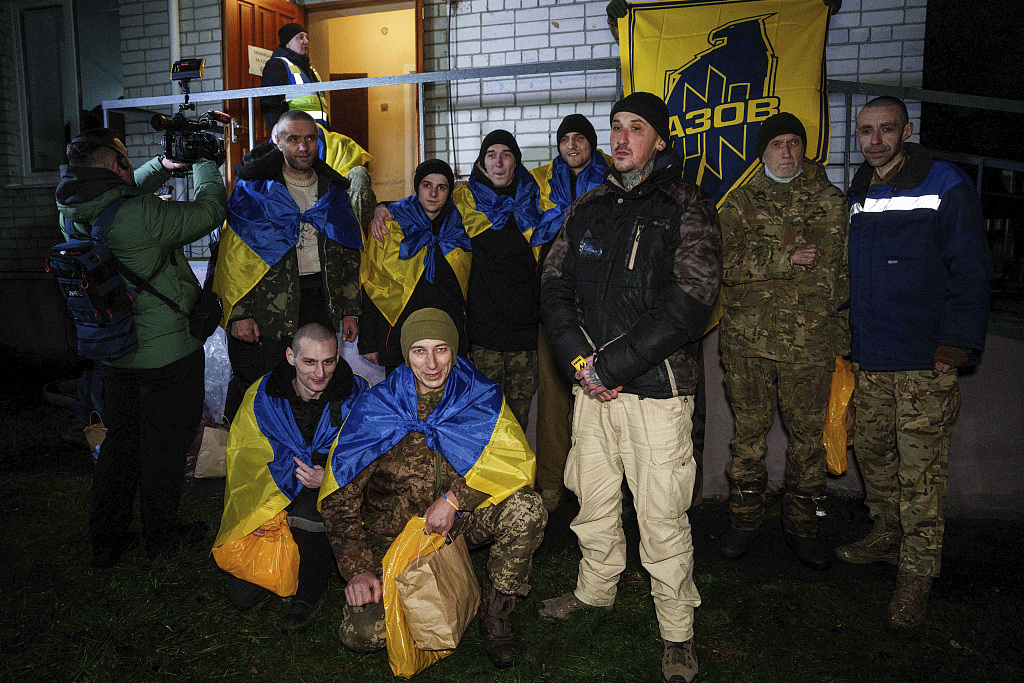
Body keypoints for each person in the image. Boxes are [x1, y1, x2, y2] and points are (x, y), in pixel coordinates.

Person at [539, 92, 722, 683]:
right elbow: (554, 285)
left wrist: (609, 367)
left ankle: (676, 633)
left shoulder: (686, 205)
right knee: (590, 497)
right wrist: (577, 361)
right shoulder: (589, 205)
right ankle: (595, 589)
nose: (620, 139)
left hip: (657, 392)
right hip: (591, 389)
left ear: (660, 140)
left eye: (635, 129)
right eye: (614, 128)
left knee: (662, 513)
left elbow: (689, 304)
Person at [320, 308, 547, 668]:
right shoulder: (377, 408)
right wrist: (358, 569)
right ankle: (440, 589)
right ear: (406, 353)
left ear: (454, 351)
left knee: (527, 507)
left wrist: (456, 499)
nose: (431, 363)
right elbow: (339, 499)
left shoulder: (479, 397)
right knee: (364, 636)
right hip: (393, 538)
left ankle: (497, 611)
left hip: (456, 525)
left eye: (441, 349)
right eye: (419, 351)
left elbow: (509, 463)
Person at [837, 96, 990, 627]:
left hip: (925, 362)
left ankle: (917, 575)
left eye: (885, 130)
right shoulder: (859, 191)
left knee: (920, 475)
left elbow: (969, 270)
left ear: (906, 131)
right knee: (876, 456)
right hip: (872, 358)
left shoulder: (946, 184)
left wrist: (955, 347)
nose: (874, 140)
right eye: (865, 131)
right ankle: (886, 535)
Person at [55, 128, 227, 566]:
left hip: (115, 350)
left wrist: (162, 167)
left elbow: (117, 199)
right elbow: (208, 211)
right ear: (117, 167)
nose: (133, 167)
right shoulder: (143, 216)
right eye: (128, 160)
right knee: (165, 447)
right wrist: (207, 162)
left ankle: (107, 539)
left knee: (120, 444)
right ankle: (162, 535)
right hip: (166, 352)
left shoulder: (72, 209)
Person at [715, 112, 849, 570]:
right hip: (748, 342)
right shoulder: (740, 203)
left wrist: (839, 329)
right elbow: (721, 265)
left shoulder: (831, 201)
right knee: (748, 436)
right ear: (763, 151)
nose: (787, 152)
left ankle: (804, 527)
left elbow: (840, 271)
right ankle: (744, 520)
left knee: (808, 440)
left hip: (808, 342)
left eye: (794, 142)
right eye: (777, 144)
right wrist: (783, 258)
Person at [213, 323, 368, 633]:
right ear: (290, 356)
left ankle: (311, 592)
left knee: (309, 513)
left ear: (338, 357)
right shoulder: (264, 394)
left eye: (328, 361)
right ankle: (295, 565)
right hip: (276, 483)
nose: (320, 373)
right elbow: (246, 456)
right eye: (309, 362)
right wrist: (255, 509)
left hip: (327, 490)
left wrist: (330, 477)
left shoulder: (356, 394)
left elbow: (370, 451)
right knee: (240, 597)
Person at [212, 110, 364, 422]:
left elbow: (349, 254)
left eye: (310, 138)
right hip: (269, 306)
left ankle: (312, 450)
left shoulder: (333, 191)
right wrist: (240, 313)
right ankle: (251, 456)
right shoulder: (255, 190)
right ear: (278, 143)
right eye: (293, 139)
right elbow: (234, 258)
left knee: (316, 383)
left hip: (321, 299)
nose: (303, 147)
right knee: (263, 386)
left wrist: (350, 309)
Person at [530, 114, 610, 512]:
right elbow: (481, 195)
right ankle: (550, 484)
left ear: (592, 143)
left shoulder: (614, 178)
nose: (573, 145)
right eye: (565, 139)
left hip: (600, 307)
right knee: (553, 396)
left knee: (601, 395)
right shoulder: (541, 182)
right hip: (554, 303)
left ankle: (599, 489)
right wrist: (385, 209)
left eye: (581, 137)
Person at [358, 159, 471, 375]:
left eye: (442, 187)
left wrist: (465, 344)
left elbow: (463, 294)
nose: (433, 194)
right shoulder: (389, 225)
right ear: (417, 187)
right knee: (402, 401)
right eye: (427, 185)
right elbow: (373, 283)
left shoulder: (461, 226)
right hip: (398, 337)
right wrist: (369, 341)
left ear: (450, 192)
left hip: (444, 339)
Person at [260, 23, 327, 130]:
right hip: (295, 134)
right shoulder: (277, 65)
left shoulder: (309, 68)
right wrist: (277, 132)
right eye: (300, 38)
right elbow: (270, 103)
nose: (306, 41)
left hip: (318, 132)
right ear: (288, 44)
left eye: (306, 37)